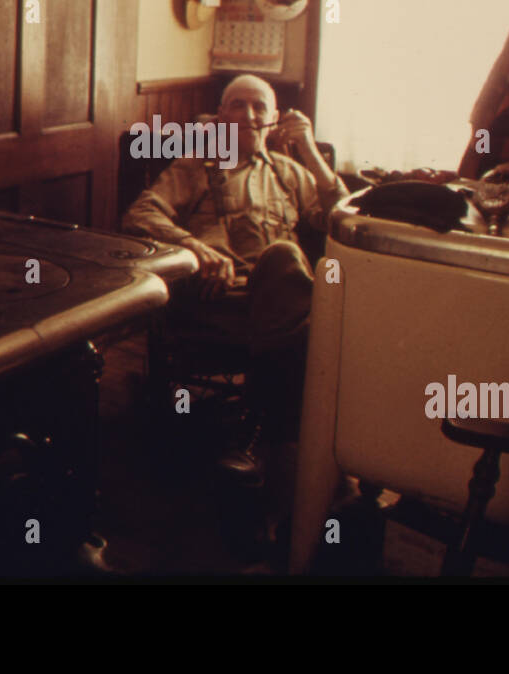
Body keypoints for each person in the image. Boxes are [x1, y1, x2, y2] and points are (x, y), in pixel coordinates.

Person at [122, 74, 348, 484]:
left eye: (259, 106)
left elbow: (342, 221)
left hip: (282, 299)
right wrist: (195, 247)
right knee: (313, 308)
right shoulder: (195, 166)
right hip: (222, 299)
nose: (248, 114)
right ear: (220, 115)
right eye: (237, 105)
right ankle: (296, 443)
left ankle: (262, 437)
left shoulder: (290, 172)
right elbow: (140, 214)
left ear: (275, 118)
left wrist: (310, 151)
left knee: (288, 262)